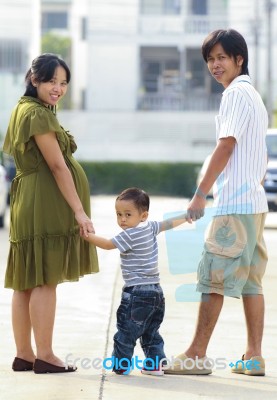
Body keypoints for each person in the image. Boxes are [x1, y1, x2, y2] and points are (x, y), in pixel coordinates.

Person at [166, 29, 268, 376]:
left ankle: (196, 353)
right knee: (252, 283)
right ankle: (253, 357)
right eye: (210, 59)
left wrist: (200, 193)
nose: (214, 65)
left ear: (240, 59)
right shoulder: (253, 95)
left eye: (222, 57)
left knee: (213, 279)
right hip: (253, 206)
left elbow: (225, 146)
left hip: (234, 208)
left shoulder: (236, 95)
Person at [3, 53, 99, 374]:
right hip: (43, 201)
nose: (58, 88)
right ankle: (44, 354)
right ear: (34, 79)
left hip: (28, 199)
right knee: (45, 277)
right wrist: (79, 212)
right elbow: (58, 166)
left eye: (63, 83)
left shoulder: (24, 109)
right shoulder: (39, 115)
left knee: (26, 280)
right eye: (51, 81)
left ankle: (24, 354)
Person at [81, 187, 188, 376]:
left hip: (137, 294)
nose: (122, 219)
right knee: (151, 332)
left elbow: (107, 245)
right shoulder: (151, 227)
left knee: (126, 331)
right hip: (156, 293)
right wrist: (187, 215)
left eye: (128, 214)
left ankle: (121, 365)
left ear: (143, 215)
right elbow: (168, 224)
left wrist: (86, 236)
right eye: (119, 214)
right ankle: (155, 364)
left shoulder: (129, 235)